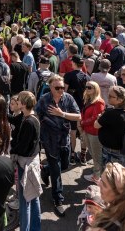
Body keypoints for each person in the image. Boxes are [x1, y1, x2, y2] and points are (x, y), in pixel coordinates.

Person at [36, 75, 81, 217]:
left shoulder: (68, 98)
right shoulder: (44, 99)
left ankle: (45, 170)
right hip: (49, 140)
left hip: (64, 139)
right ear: (50, 87)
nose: (61, 90)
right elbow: (36, 115)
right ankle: (58, 199)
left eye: (62, 87)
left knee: (65, 165)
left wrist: (62, 114)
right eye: (57, 88)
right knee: (56, 170)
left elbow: (78, 116)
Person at [10, 91, 41, 231]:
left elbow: (22, 147)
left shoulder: (29, 122)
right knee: (33, 197)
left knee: (25, 201)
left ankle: (25, 228)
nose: (16, 103)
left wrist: (12, 149)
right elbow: (14, 119)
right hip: (32, 161)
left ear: (23, 104)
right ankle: (35, 228)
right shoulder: (29, 116)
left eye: (19, 101)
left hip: (26, 164)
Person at [94, 85, 125, 167]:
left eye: (111, 96)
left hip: (111, 151)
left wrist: (99, 117)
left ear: (120, 100)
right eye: (108, 95)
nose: (108, 97)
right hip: (124, 149)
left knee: (110, 177)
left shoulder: (110, 113)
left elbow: (96, 125)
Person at [80, 81, 105, 184]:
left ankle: (97, 177)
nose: (87, 89)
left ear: (96, 89)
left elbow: (96, 118)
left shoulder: (99, 102)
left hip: (94, 132)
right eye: (86, 87)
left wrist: (82, 122)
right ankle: (98, 175)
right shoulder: (89, 99)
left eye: (90, 87)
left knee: (96, 155)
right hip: (87, 130)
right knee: (93, 153)